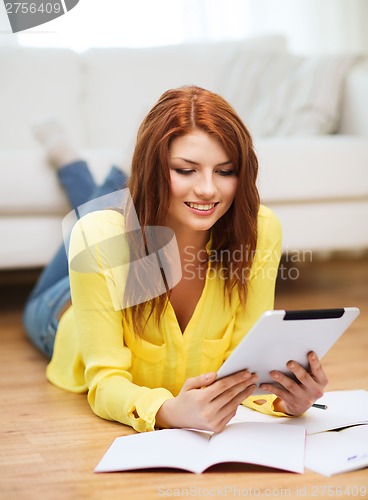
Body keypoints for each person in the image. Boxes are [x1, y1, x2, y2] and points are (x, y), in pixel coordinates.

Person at [23, 86, 328, 433]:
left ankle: (114, 167)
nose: (209, 189)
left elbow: (248, 366)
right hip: (58, 311)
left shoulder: (260, 229)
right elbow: (106, 382)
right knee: (90, 225)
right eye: (186, 170)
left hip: (114, 238)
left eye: (225, 171)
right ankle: (70, 159)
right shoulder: (96, 236)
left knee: (98, 215)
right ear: (155, 168)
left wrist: (286, 399)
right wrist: (167, 412)